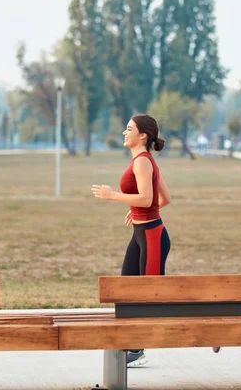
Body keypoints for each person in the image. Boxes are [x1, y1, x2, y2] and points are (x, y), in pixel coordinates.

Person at [91, 113, 171, 368]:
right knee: (126, 289)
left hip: (152, 235)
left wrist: (114, 195)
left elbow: (148, 200)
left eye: (129, 129)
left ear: (143, 135)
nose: (124, 133)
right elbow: (162, 200)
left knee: (148, 294)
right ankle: (131, 343)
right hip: (140, 234)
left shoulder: (143, 162)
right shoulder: (144, 161)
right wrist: (135, 209)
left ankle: (137, 349)